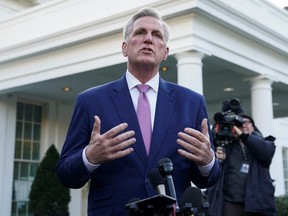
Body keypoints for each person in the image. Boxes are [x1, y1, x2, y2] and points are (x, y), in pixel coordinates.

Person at [56, 7, 221, 216]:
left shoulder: (191, 102)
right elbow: (65, 174)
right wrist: (90, 156)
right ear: (125, 47)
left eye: (157, 35)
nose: (148, 39)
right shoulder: (90, 101)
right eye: (140, 32)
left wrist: (208, 161)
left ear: (165, 52)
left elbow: (209, 177)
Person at [207, 113, 277, 216]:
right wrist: (219, 160)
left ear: (254, 127)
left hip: (256, 202)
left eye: (248, 122)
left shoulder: (264, 144)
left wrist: (243, 136)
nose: (244, 125)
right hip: (230, 201)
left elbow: (265, 153)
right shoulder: (226, 145)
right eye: (241, 123)